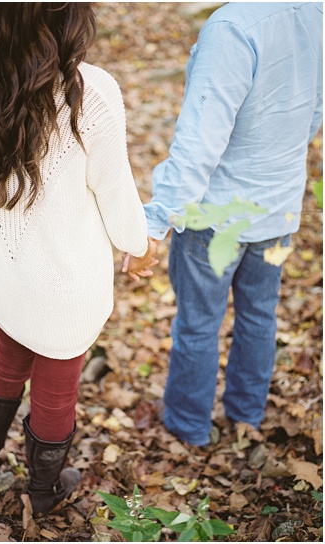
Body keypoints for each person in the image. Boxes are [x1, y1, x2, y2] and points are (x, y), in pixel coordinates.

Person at [0, 3, 158, 515]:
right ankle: (43, 493)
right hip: (66, 284)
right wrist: (141, 250)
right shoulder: (89, 90)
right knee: (56, 392)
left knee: (8, 360)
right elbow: (116, 193)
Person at [135, 3, 323, 447]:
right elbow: (313, 113)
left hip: (216, 214)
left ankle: (189, 428)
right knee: (259, 316)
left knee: (200, 324)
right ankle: (245, 418)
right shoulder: (316, 13)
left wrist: (158, 218)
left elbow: (201, 138)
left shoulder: (232, 27)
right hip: (278, 205)